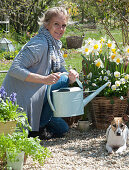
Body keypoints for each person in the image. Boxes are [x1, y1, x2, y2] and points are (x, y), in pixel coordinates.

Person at [2, 7, 79, 139]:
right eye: (56, 24)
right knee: (62, 80)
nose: (61, 29)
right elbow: (14, 69)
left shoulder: (53, 44)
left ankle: (40, 125)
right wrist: (44, 79)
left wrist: (72, 75)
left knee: (63, 129)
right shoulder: (40, 44)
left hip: (36, 95)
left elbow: (62, 71)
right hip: (22, 99)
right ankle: (38, 129)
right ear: (46, 24)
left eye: (63, 25)